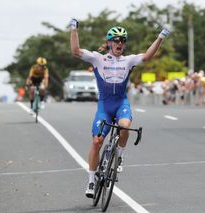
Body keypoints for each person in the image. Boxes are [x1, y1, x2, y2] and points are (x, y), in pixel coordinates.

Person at [70, 18, 170, 198]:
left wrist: (160, 37)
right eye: (116, 40)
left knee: (125, 126)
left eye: (122, 40)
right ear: (109, 43)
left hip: (121, 103)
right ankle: (91, 180)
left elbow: (147, 56)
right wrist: (74, 29)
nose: (119, 43)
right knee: (97, 141)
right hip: (105, 106)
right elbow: (76, 51)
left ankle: (120, 155)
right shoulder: (97, 58)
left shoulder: (129, 60)